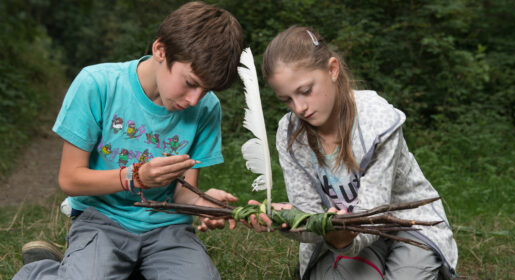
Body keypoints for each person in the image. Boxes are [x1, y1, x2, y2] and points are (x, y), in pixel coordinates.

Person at [14, 2, 242, 279]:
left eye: (206, 90)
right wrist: (135, 177)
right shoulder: (97, 85)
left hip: (168, 227)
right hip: (101, 219)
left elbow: (183, 192)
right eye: (191, 83)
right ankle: (42, 272)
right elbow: (70, 179)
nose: (194, 99)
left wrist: (203, 203)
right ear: (161, 50)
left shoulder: (207, 108)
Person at [249, 26, 458, 280]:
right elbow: (310, 220)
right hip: (341, 234)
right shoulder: (290, 134)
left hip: (406, 223)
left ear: (332, 70)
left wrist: (343, 235)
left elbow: (374, 213)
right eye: (287, 100)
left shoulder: (377, 121)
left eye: (305, 91)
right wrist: (286, 219)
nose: (300, 108)